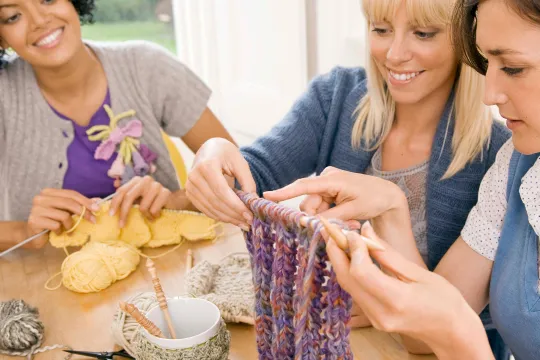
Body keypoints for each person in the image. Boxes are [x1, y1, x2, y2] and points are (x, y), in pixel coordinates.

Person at [186, 0, 509, 354]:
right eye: (381, 30)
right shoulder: (336, 98)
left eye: (423, 34)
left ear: (466, 42)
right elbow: (253, 174)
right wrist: (214, 150)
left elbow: (448, 323)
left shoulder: (499, 158)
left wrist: (378, 301)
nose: (395, 54)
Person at [266, 0, 540, 358]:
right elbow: (421, 334)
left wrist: (459, 330)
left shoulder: (496, 150)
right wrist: (392, 208)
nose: (490, 94)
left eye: (515, 68)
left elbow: (445, 324)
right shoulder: (514, 165)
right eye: (488, 62)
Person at [0, 0, 234, 251]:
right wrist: (22, 231)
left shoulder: (147, 67)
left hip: (165, 275)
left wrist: (178, 201)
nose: (39, 21)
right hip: (42, 283)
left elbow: (237, 170)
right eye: (13, 16)